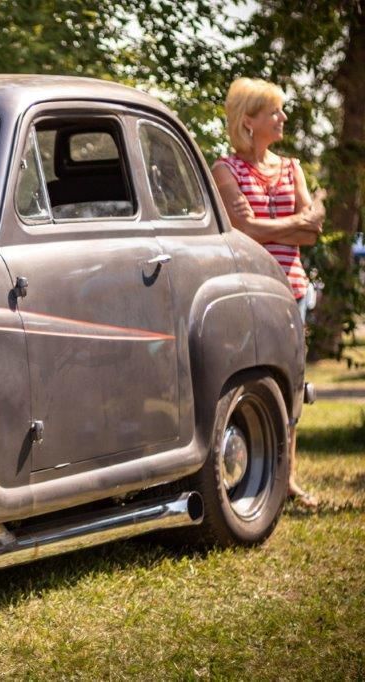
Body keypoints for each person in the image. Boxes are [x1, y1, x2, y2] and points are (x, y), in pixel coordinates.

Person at [211, 77, 326, 508]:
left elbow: (313, 232)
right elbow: (244, 230)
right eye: (273, 111)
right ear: (248, 120)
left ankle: (288, 480)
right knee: (252, 383)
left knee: (292, 383)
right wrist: (297, 221)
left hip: (292, 290)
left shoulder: (292, 166)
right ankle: (252, 474)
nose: (282, 118)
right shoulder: (225, 169)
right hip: (250, 291)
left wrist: (292, 223)